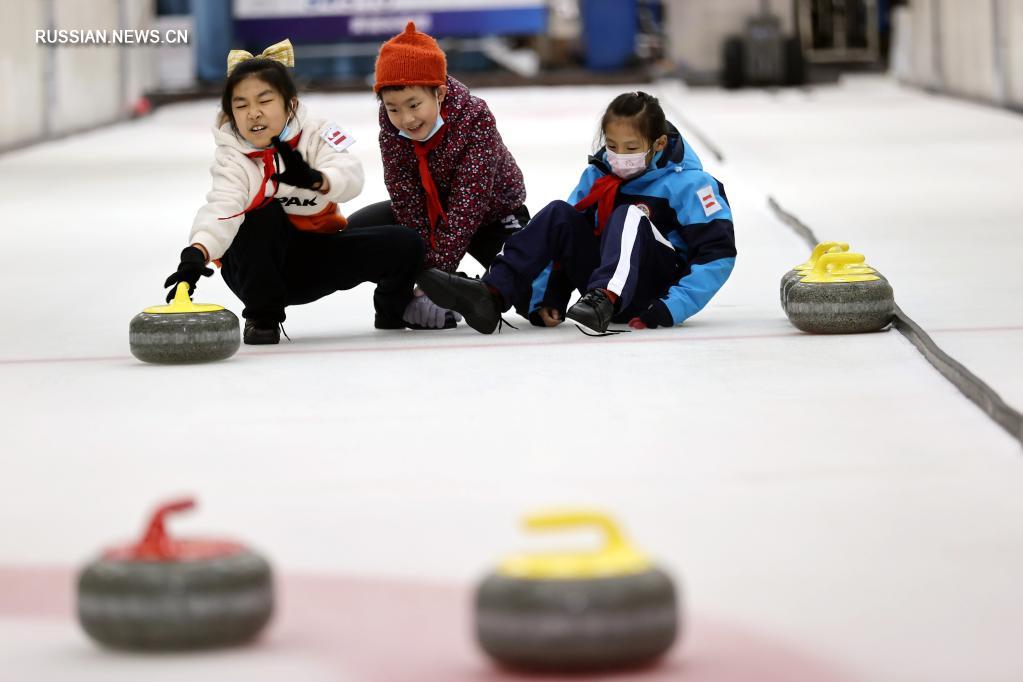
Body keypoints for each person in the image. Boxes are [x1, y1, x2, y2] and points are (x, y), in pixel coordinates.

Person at [163, 39, 424, 344]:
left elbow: (350, 175)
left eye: (264, 101)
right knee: (260, 213)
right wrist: (197, 253)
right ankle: (263, 318)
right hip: (255, 268)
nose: (253, 113)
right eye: (241, 105)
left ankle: (393, 311)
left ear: (291, 103)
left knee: (405, 243)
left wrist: (316, 179)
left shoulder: (319, 133)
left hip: (315, 258)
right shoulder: (232, 155)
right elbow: (223, 205)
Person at [416, 91, 737, 335]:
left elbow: (717, 254)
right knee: (560, 213)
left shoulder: (691, 185)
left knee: (629, 216)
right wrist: (549, 298)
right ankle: (492, 295)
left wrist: (671, 309)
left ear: (659, 143)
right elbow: (562, 243)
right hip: (597, 288)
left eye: (631, 148)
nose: (619, 156)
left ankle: (605, 298)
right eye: (612, 146)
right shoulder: (598, 177)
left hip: (654, 290)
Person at [345, 22, 529, 330]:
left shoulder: (474, 118)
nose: (406, 119)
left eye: (414, 105)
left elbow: (467, 206)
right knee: (358, 234)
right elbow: (405, 196)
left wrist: (435, 282)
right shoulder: (392, 126)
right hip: (431, 213)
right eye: (393, 108)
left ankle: (474, 292)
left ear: (440, 93)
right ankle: (401, 303)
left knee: (531, 291)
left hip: (491, 214)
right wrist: (426, 273)